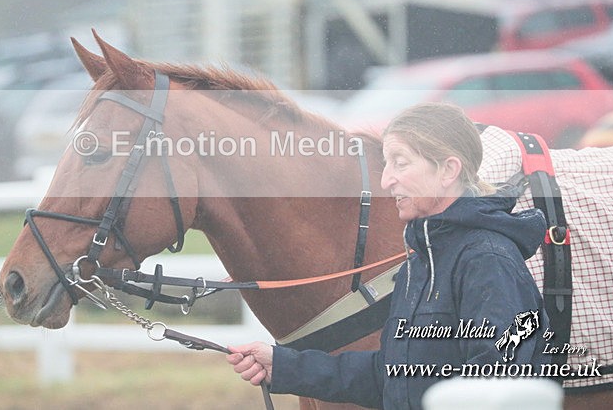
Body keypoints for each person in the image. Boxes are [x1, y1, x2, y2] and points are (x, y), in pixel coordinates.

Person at [227, 102, 550, 409]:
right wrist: (283, 365)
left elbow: (497, 386)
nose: (386, 180)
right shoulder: (418, 266)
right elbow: (392, 376)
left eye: (401, 163)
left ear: (448, 170)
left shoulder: (487, 260)